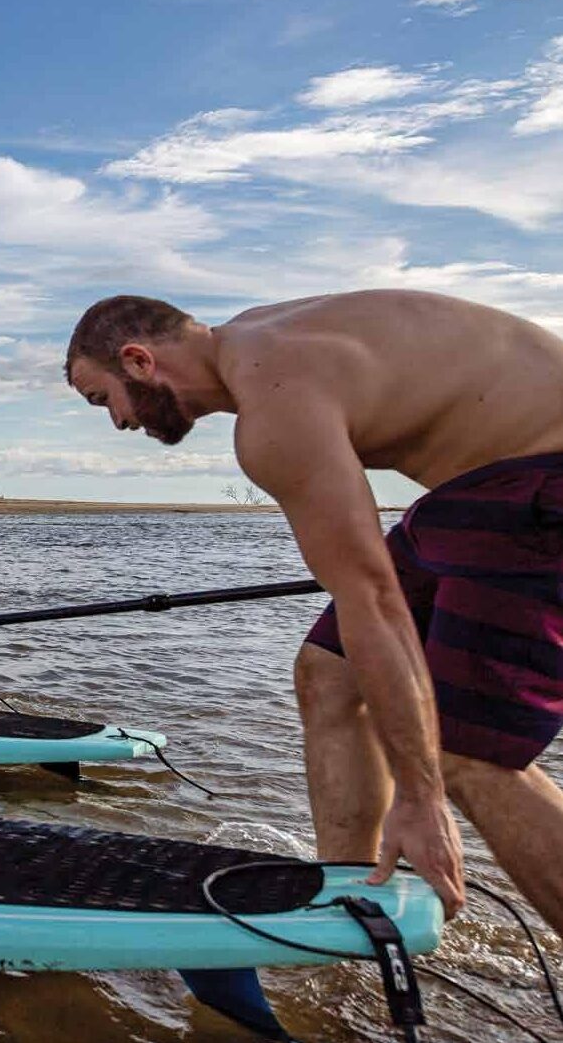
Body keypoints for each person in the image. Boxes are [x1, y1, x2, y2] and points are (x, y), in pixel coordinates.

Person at [64, 288, 563, 933]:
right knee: (329, 673)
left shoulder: (275, 409)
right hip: (478, 489)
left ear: (138, 361)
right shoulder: (256, 339)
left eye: (104, 400)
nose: (119, 423)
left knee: (469, 755)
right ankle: (352, 905)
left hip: (538, 485)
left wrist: (418, 796)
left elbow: (373, 599)